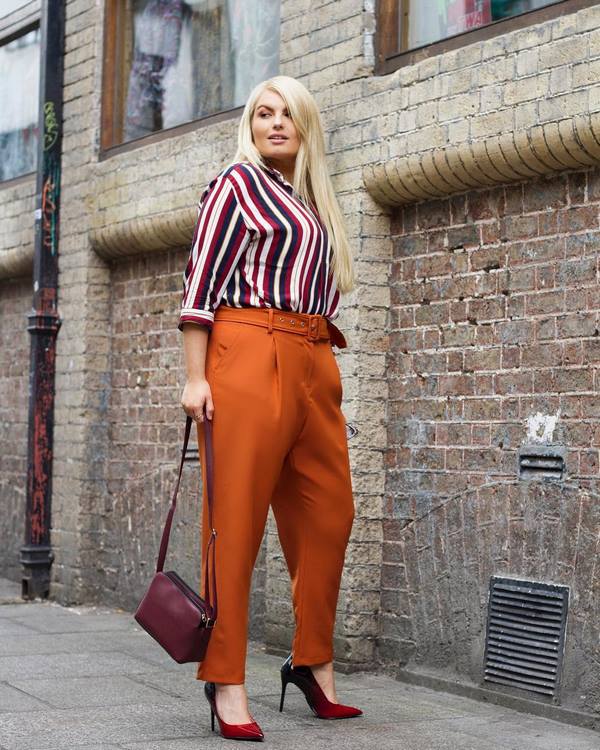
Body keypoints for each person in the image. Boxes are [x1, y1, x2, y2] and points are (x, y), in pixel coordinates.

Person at [179, 74, 362, 742]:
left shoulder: (310, 199)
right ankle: (225, 678)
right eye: (263, 112)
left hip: (315, 355)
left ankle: (311, 660)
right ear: (250, 126)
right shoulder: (237, 185)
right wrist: (195, 378)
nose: (275, 123)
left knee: (330, 514)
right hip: (249, 351)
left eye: (287, 113)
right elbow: (199, 286)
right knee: (234, 522)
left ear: (306, 125)